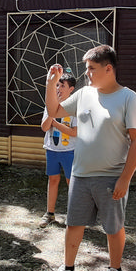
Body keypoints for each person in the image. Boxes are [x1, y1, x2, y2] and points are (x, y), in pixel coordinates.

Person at [44, 45, 136, 271]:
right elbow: (54, 111)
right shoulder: (84, 94)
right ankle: (68, 268)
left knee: (113, 227)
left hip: (112, 176)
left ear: (108, 68)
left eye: (91, 68)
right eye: (86, 68)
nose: (87, 73)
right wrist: (50, 84)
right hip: (80, 174)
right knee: (73, 224)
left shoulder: (129, 98)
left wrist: (125, 179)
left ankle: (115, 270)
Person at [39, 72, 77, 228]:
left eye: (62, 86)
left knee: (72, 182)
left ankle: (74, 216)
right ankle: (50, 214)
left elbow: (74, 132)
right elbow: (44, 127)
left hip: (70, 151)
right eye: (57, 85)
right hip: (52, 150)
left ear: (71, 89)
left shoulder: (74, 107)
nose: (59, 89)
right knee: (53, 180)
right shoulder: (50, 103)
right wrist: (52, 111)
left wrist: (55, 123)